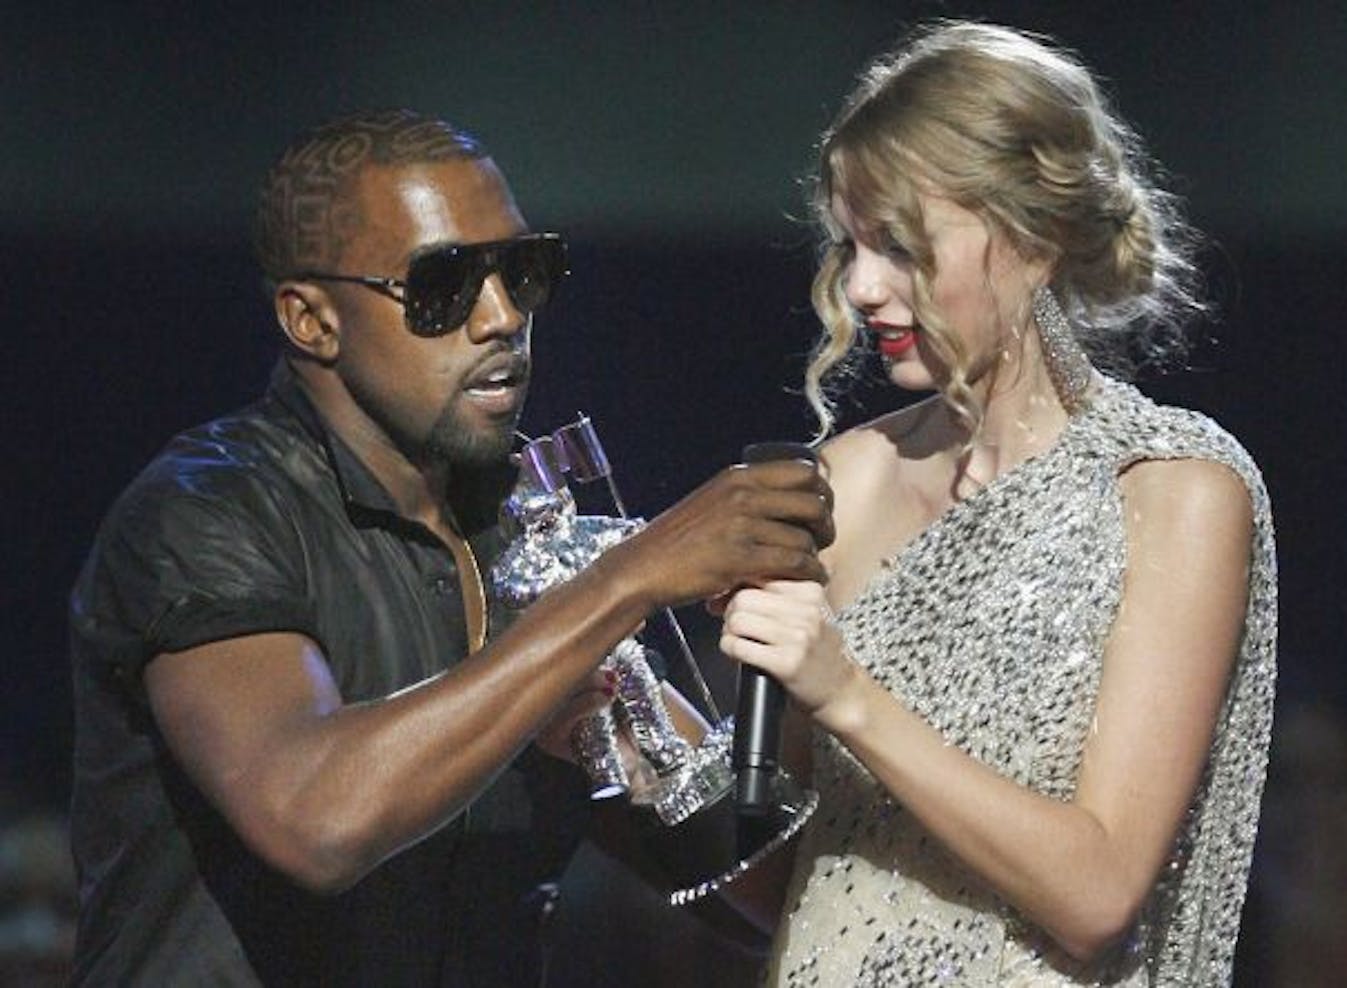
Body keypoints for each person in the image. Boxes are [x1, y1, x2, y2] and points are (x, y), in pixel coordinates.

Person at [67, 108, 833, 987]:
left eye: (524, 270)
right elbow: (316, 820)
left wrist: (806, 688)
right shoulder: (207, 509)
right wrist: (625, 583)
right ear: (311, 320)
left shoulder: (523, 531)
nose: (503, 316)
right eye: (444, 285)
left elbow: (768, 895)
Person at [718, 21, 1277, 986]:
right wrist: (642, 746)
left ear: (1034, 236)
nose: (860, 288)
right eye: (851, 247)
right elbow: (793, 880)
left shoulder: (1174, 490)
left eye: (899, 245)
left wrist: (847, 693)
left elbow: (1099, 893)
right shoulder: (851, 477)